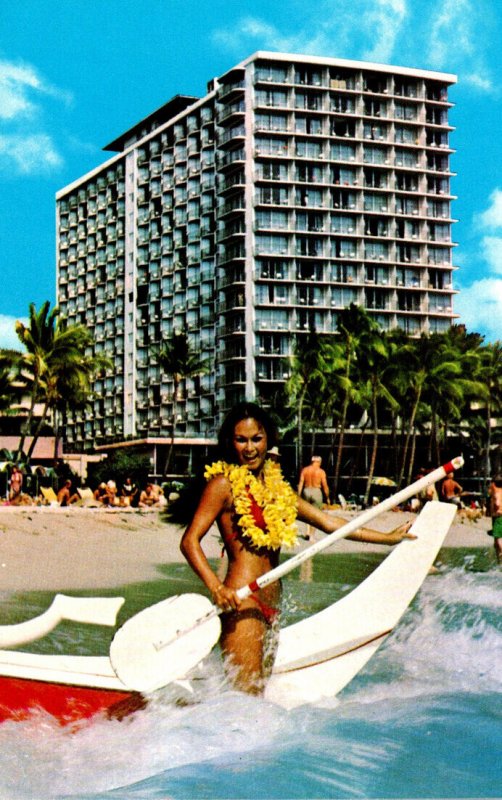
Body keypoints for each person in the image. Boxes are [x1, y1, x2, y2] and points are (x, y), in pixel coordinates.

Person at [180, 402, 414, 696]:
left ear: (269, 441)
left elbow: (329, 523)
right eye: (241, 439)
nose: (250, 448)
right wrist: (215, 587)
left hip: (272, 601)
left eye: (257, 439)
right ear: (230, 442)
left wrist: (385, 537)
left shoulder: (279, 490)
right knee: (244, 700)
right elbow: (189, 541)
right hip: (243, 600)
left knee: (258, 695)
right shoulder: (223, 485)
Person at [297, 455, 331, 540]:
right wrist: (327, 497)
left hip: (306, 490)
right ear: (318, 462)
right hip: (316, 491)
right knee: (315, 514)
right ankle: (312, 535)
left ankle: (307, 532)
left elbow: (301, 483)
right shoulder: (321, 471)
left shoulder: (305, 470)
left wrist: (298, 495)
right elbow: (325, 486)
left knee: (307, 513)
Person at [488, 475, 502, 564]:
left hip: (498, 517)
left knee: (498, 540)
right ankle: (499, 563)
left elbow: (497, 503)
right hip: (499, 518)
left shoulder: (496, 492)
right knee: (496, 543)